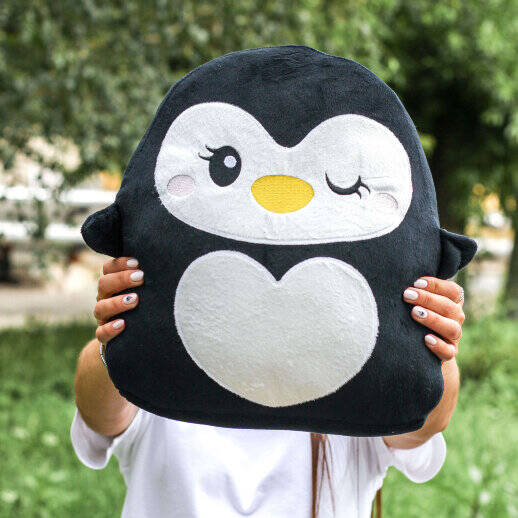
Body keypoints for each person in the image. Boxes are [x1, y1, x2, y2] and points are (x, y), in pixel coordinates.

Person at [72, 257, 464, 517]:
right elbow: (101, 415)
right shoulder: (168, 358)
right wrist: (119, 335)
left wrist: (432, 347)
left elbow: (424, 423)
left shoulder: (353, 379)